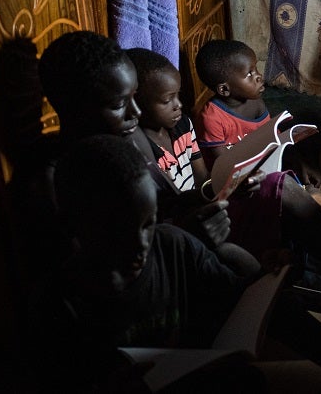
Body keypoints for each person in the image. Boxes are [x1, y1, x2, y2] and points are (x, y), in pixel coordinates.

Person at [26, 134, 321, 391]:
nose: (141, 244)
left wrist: (267, 277)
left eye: (147, 224)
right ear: (72, 227)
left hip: (204, 378)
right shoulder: (60, 304)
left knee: (253, 370)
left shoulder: (171, 245)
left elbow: (236, 299)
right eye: (118, 234)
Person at [27, 30, 257, 278]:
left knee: (240, 261)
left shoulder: (127, 139)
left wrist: (225, 187)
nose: (135, 112)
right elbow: (95, 271)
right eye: (119, 104)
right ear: (77, 108)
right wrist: (184, 235)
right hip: (143, 282)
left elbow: (167, 202)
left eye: (134, 97)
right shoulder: (53, 178)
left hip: (172, 250)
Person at [192, 38, 321, 306]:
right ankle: (313, 207)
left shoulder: (256, 103)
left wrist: (301, 163)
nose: (259, 76)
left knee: (294, 181)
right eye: (249, 74)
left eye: (256, 69)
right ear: (224, 88)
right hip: (238, 188)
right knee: (295, 217)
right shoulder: (212, 117)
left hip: (265, 172)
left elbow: (274, 140)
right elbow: (225, 169)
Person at [125, 47, 210, 193]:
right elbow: (170, 201)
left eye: (177, 95)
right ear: (136, 102)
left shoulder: (183, 125)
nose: (178, 105)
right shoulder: (143, 149)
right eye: (167, 100)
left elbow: (202, 178)